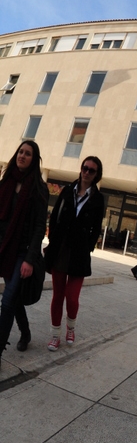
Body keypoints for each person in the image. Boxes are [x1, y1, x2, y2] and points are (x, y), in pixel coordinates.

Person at [44, 157, 104, 351]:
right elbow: (55, 216)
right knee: (58, 296)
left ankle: (71, 328)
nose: (86, 172)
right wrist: (52, 239)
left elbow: (96, 228)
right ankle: (55, 335)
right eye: (85, 168)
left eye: (91, 170)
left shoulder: (98, 198)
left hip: (79, 252)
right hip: (60, 248)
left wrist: (89, 246)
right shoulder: (68, 190)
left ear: (96, 175)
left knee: (72, 297)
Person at [0, 141, 48, 364]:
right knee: (14, 296)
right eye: (20, 152)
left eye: (28, 154)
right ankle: (26, 333)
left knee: (8, 300)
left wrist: (30, 259)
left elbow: (39, 227)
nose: (22, 156)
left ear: (33, 159)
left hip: (22, 252)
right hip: (4, 248)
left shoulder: (38, 188)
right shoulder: (6, 182)